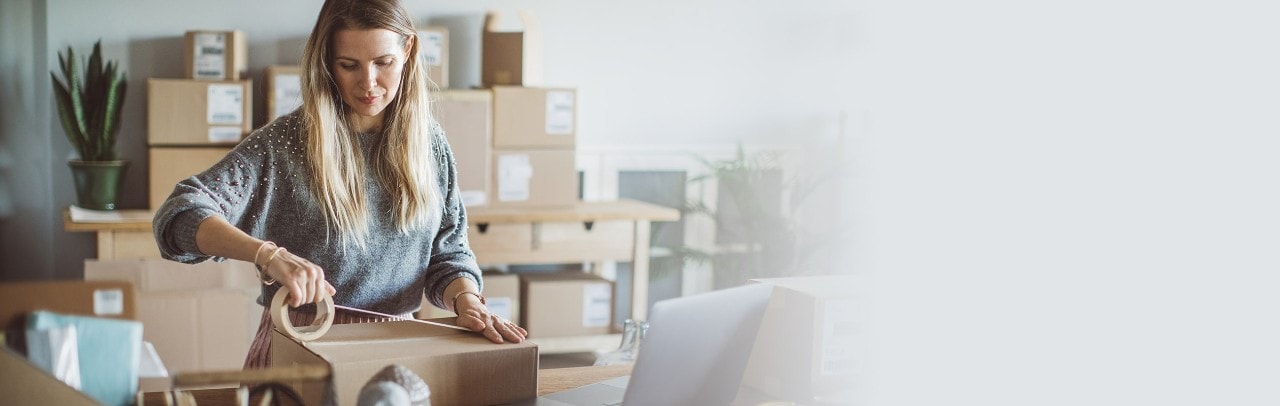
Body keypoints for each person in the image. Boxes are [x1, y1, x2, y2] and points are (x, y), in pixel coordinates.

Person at [152, 0, 527, 369]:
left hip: (398, 351)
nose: (369, 83)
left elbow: (448, 255)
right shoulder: (284, 145)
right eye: (349, 65)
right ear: (327, 62)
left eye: (384, 63)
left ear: (408, 49)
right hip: (302, 352)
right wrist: (269, 255)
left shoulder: (430, 145)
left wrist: (468, 302)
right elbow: (178, 215)